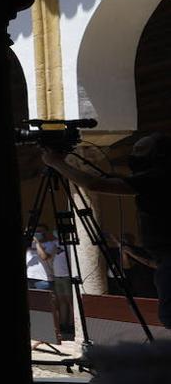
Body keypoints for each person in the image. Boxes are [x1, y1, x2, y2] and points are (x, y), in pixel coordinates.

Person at [42, 132, 171, 328]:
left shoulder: (158, 177)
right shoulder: (157, 177)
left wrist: (56, 163)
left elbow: (94, 184)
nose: (133, 155)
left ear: (159, 155)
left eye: (140, 150)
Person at [38, 226, 75, 341]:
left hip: (66, 276)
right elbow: (47, 251)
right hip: (57, 277)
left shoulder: (70, 245)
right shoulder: (55, 243)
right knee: (62, 301)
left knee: (70, 302)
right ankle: (63, 324)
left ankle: (72, 324)